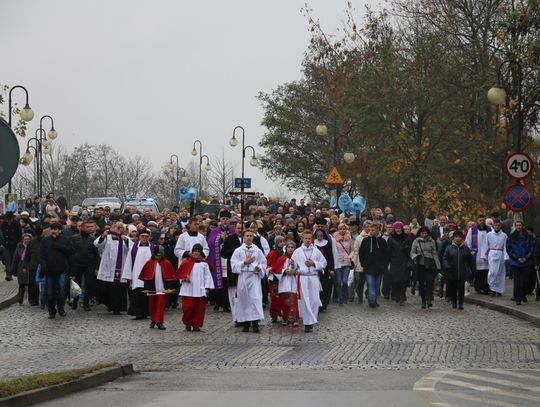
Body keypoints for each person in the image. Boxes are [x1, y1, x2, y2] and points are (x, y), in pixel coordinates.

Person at [230, 230, 267, 333]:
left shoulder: (257, 251)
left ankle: (255, 323)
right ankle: (246, 324)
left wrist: (259, 268)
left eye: (251, 236)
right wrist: (244, 262)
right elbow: (233, 265)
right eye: (247, 236)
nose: (249, 237)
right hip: (243, 277)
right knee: (244, 300)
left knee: (255, 299)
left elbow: (264, 263)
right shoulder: (238, 251)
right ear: (244, 237)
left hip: (254, 277)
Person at [291, 230, 327, 332]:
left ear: (312, 239)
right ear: (302, 238)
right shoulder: (297, 251)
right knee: (305, 299)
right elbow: (293, 265)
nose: (307, 240)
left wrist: (314, 263)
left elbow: (324, 263)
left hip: (313, 277)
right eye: (306, 238)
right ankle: (308, 323)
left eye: (309, 238)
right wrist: (295, 268)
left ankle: (311, 319)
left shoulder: (316, 251)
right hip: (303, 277)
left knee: (314, 300)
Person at [138, 246, 177, 330]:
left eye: (160, 255)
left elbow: (170, 278)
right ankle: (153, 320)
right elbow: (146, 277)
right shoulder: (149, 263)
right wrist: (146, 288)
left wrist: (169, 289)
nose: (158, 257)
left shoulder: (167, 263)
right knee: (152, 305)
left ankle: (160, 322)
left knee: (160, 306)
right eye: (156, 255)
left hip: (162, 289)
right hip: (152, 288)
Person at [177, 243, 214, 331]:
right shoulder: (186, 262)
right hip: (188, 289)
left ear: (201, 253)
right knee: (188, 307)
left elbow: (207, 276)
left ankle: (196, 324)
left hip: (200, 289)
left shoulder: (204, 264)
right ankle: (188, 323)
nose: (196, 253)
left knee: (199, 308)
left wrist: (207, 287)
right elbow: (180, 274)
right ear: (192, 252)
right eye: (195, 251)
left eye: (198, 251)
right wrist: (184, 278)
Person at [94, 222, 129, 314]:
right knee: (107, 287)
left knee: (119, 289)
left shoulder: (126, 238)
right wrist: (102, 236)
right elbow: (97, 244)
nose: (118, 229)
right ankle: (109, 305)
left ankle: (117, 308)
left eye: (121, 227)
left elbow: (132, 248)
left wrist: (125, 240)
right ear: (112, 228)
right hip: (108, 267)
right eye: (116, 227)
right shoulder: (108, 238)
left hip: (120, 268)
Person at [40, 223, 72, 319]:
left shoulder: (65, 239)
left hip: (62, 269)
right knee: (50, 292)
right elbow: (41, 254)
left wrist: (60, 247)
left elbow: (70, 251)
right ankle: (51, 310)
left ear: (59, 230)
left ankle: (61, 308)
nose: (53, 231)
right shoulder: (45, 240)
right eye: (52, 229)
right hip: (49, 270)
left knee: (62, 289)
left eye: (56, 229)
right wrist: (43, 264)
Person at [122, 229, 155, 319]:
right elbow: (129, 261)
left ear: (149, 237)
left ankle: (147, 312)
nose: (144, 238)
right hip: (136, 274)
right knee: (137, 294)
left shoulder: (153, 247)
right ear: (139, 237)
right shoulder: (133, 248)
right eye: (142, 236)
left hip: (149, 275)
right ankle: (137, 313)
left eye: (146, 236)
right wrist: (128, 276)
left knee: (147, 294)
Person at [206, 211, 235, 312]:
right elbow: (210, 243)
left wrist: (227, 239)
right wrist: (220, 239)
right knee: (219, 281)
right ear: (220, 220)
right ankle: (218, 303)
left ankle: (226, 304)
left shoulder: (232, 231)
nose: (225, 221)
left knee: (227, 282)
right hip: (218, 259)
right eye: (223, 219)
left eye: (227, 219)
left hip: (228, 259)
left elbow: (235, 244)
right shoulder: (215, 231)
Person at [69, 220, 100, 311]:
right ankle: (75, 302)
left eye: (91, 227)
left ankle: (86, 303)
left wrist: (96, 267)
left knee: (88, 284)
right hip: (77, 265)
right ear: (82, 228)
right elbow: (70, 253)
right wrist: (71, 265)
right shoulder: (74, 238)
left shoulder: (92, 239)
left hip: (89, 265)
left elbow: (96, 255)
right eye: (87, 227)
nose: (89, 229)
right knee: (76, 285)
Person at [358, 223, 388, 308]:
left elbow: (386, 254)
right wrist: (363, 263)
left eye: (373, 230)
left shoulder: (382, 241)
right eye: (370, 230)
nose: (371, 231)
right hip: (368, 267)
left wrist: (384, 264)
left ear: (377, 230)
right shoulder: (365, 240)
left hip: (379, 267)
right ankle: (371, 301)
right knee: (371, 284)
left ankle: (374, 300)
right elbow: (361, 253)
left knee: (376, 285)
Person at [443, 230, 475, 309]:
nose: (458, 239)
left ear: (462, 239)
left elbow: (470, 260)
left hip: (462, 272)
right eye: (456, 237)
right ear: (453, 238)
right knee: (453, 288)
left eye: (459, 237)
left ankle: (461, 304)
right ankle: (454, 302)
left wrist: (472, 271)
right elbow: (445, 258)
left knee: (461, 289)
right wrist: (447, 266)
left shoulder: (465, 249)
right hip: (452, 272)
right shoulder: (449, 248)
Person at [411, 227, 440, 309]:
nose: (424, 234)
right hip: (420, 265)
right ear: (420, 233)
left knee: (430, 282)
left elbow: (435, 253)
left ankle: (429, 298)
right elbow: (412, 252)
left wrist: (438, 265)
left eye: (425, 233)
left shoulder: (432, 241)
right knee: (421, 283)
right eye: (422, 233)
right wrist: (416, 257)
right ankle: (423, 300)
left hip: (430, 264)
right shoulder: (416, 241)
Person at [220, 221, 243, 326]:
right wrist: (236, 250)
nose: (240, 230)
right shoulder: (230, 239)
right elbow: (224, 253)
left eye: (241, 228)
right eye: (238, 228)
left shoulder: (250, 239)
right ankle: (237, 318)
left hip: (246, 274)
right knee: (234, 298)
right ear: (235, 229)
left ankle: (245, 318)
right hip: (233, 273)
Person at [506, 220, 534, 305]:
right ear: (515, 226)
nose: (518, 227)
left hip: (526, 262)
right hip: (515, 262)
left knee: (525, 280)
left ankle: (523, 295)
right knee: (517, 281)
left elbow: (531, 248)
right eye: (517, 225)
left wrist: (526, 258)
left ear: (522, 226)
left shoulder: (528, 237)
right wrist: (516, 258)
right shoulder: (511, 237)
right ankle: (518, 298)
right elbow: (509, 249)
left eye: (520, 225)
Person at [387, 221, 413, 305]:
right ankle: (397, 295)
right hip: (394, 262)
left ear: (401, 228)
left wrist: (407, 248)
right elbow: (388, 250)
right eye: (396, 228)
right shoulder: (391, 238)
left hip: (404, 261)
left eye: (399, 228)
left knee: (404, 280)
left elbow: (411, 248)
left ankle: (402, 296)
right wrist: (388, 262)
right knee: (396, 281)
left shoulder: (407, 237)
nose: (398, 230)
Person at [465, 215, 492, 294]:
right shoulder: (472, 230)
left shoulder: (490, 229)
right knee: (477, 272)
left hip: (487, 253)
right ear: (477, 221)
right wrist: (470, 251)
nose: (482, 222)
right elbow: (468, 241)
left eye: (483, 220)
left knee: (486, 271)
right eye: (480, 220)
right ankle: (478, 287)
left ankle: (486, 287)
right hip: (476, 253)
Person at [275, 242, 300, 326]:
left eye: (292, 247)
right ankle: (285, 318)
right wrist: (284, 272)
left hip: (294, 281)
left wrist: (294, 272)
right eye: (288, 247)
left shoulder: (297, 258)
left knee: (294, 300)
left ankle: (295, 318)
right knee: (284, 301)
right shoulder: (282, 258)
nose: (290, 249)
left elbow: (301, 268)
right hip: (284, 281)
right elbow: (276, 270)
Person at [483, 218, 508, 297]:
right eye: (495, 225)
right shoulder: (489, 234)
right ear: (493, 225)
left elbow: (505, 247)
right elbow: (485, 245)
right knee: (492, 272)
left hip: (500, 254)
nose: (497, 226)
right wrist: (484, 255)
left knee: (500, 273)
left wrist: (506, 257)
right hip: (492, 254)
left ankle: (499, 290)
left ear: (500, 226)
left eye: (498, 225)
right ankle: (492, 288)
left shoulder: (504, 235)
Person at [313, 228, 335, 310]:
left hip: (325, 269)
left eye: (321, 236)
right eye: (317, 236)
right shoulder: (313, 244)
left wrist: (331, 268)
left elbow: (330, 257)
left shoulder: (327, 243)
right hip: (315, 268)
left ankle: (323, 304)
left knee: (325, 287)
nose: (319, 237)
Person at [21, 226, 43, 306]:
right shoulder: (32, 242)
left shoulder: (33, 242)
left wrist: (24, 266)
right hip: (35, 265)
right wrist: (24, 266)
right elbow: (27, 255)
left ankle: (35, 300)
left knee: (34, 284)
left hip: (36, 265)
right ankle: (35, 299)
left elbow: (27, 256)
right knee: (34, 284)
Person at [266, 236, 286, 323]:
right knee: (274, 297)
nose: (282, 243)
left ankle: (284, 313)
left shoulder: (285, 253)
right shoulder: (272, 253)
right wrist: (271, 270)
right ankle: (274, 314)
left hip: (283, 277)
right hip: (274, 278)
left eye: (283, 241)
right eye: (280, 242)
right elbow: (267, 265)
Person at [333, 223, 353, 306]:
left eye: (344, 229)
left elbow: (352, 250)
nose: (342, 230)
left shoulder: (349, 239)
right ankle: (340, 297)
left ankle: (345, 296)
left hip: (347, 263)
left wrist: (350, 257)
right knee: (338, 282)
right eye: (340, 228)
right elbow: (333, 251)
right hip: (338, 263)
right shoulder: (334, 239)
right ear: (338, 229)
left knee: (345, 281)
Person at [11, 233, 33, 304]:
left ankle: (31, 298)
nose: (26, 240)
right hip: (21, 267)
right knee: (21, 284)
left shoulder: (32, 247)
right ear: (22, 240)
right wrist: (13, 270)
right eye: (25, 239)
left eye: (28, 239)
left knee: (30, 284)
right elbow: (15, 259)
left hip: (30, 266)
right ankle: (20, 297)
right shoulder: (19, 247)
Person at [1, 211, 22, 281]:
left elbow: (19, 234)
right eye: (7, 218)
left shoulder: (16, 223)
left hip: (15, 244)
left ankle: (14, 272)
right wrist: (2, 243)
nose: (8, 220)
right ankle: (8, 274)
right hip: (6, 245)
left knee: (14, 259)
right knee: (7, 260)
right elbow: (2, 234)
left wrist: (19, 242)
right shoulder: (3, 224)